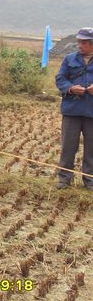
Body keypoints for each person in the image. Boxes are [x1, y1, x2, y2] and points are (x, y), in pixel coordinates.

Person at [55, 27, 93, 191]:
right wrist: (70, 88)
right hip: (72, 110)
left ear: (91, 44)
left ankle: (90, 181)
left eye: (83, 42)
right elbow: (60, 79)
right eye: (78, 41)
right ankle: (64, 179)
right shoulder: (69, 59)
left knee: (92, 148)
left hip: (91, 112)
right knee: (68, 146)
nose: (79, 45)